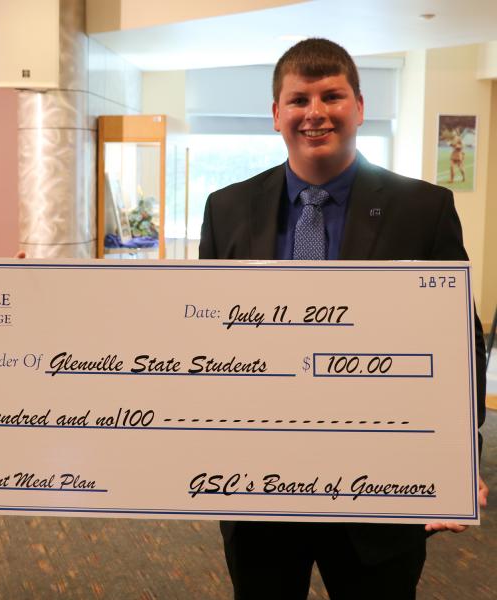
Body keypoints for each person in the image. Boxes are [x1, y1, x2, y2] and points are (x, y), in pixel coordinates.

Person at [199, 38, 488, 600]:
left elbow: (457, 340)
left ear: (359, 106)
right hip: (260, 481)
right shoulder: (226, 207)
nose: (315, 112)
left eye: (331, 96)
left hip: (380, 486)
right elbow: (206, 336)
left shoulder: (423, 208)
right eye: (299, 99)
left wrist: (456, 454)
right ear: (276, 114)